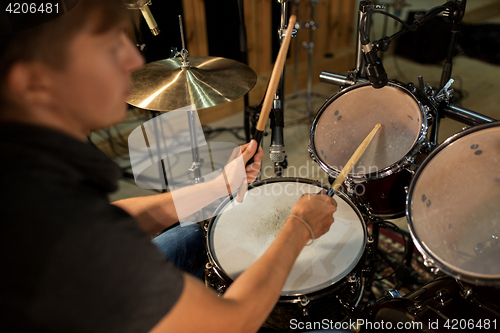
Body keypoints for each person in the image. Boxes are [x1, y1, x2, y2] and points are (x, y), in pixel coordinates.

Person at [0, 1, 338, 332]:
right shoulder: (52, 224)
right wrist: (299, 226)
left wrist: (217, 186)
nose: (134, 60)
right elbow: (233, 322)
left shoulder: (28, 169)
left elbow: (117, 217)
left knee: (191, 235)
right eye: (109, 46)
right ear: (33, 82)